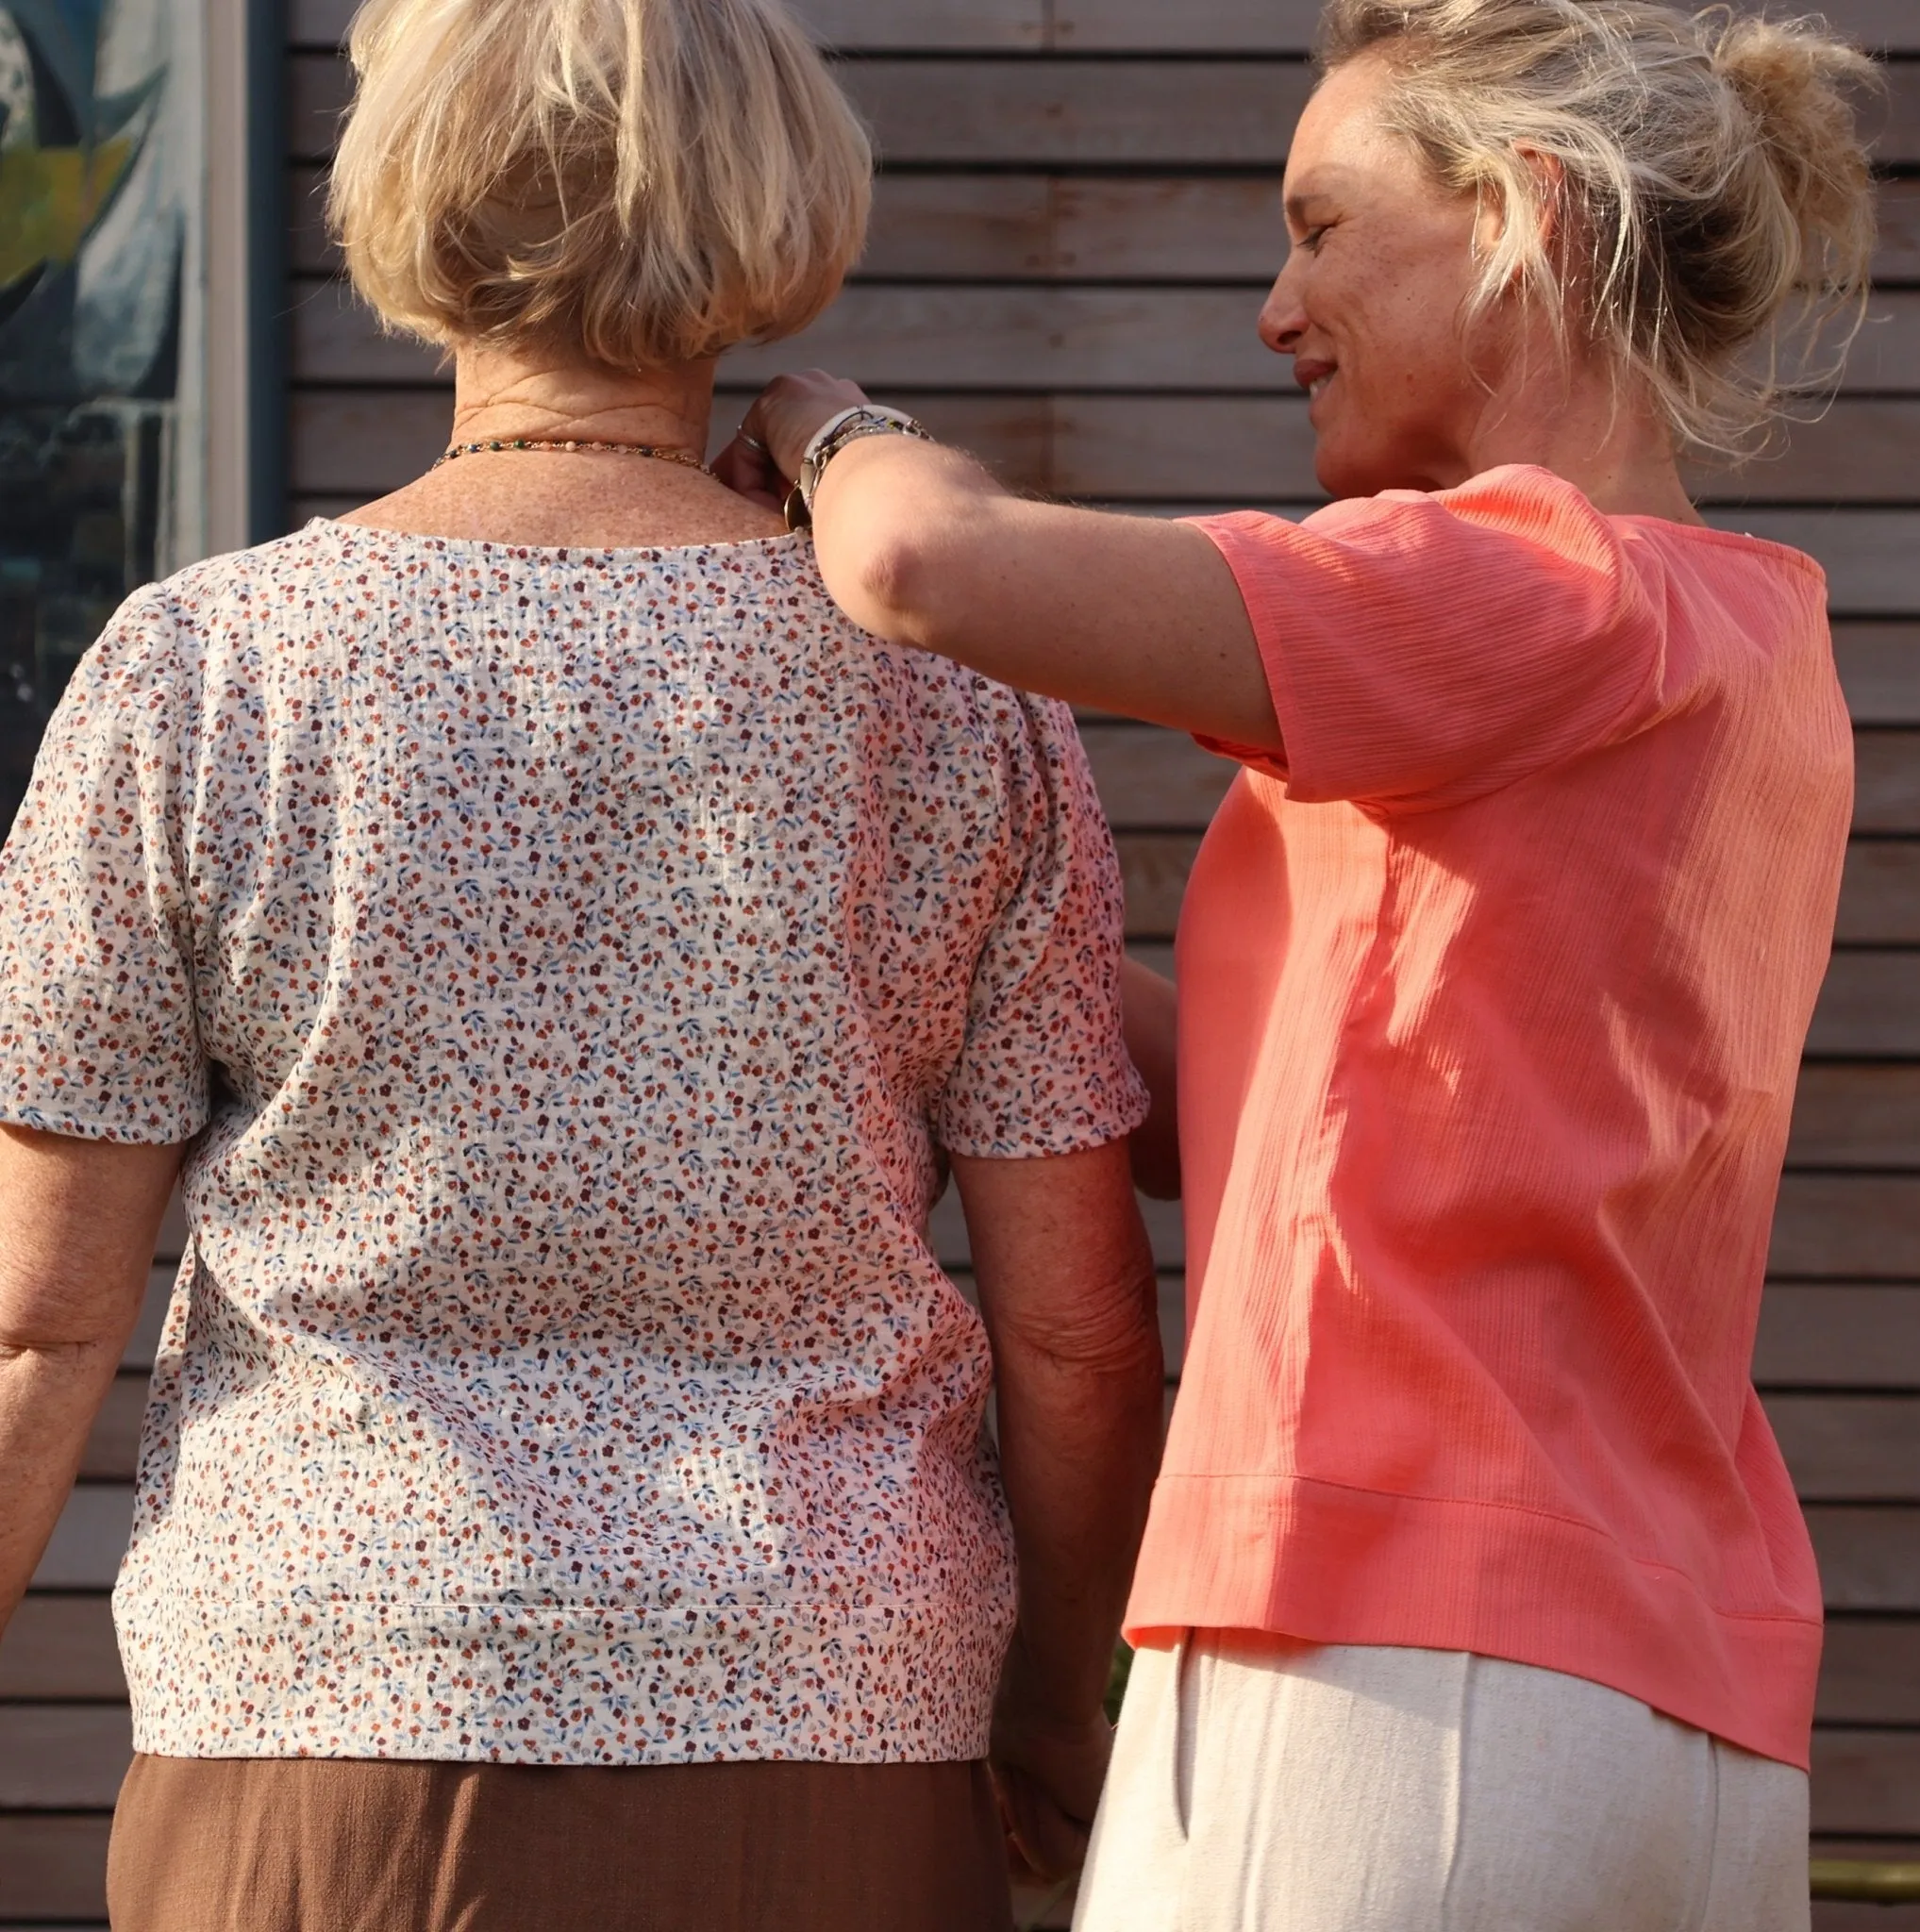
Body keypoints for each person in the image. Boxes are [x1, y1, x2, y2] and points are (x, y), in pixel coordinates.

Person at [0, 0, 1166, 1925]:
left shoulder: (201, 677)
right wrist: (1054, 1706)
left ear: (405, 196)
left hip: (319, 1727)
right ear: (773, 202)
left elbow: (36, 1325)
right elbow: (1078, 1335)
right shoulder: (956, 711)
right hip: (831, 1727)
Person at [722, 0, 1879, 1924]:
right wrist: (953, 954)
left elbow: (927, 565)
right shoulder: (1754, 645)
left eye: (1322, 226)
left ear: (1526, 218)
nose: (1276, 304)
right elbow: (1298, 1105)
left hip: (1391, 1672)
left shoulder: (1521, 579)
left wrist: (818, 422)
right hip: (1685, 1722)